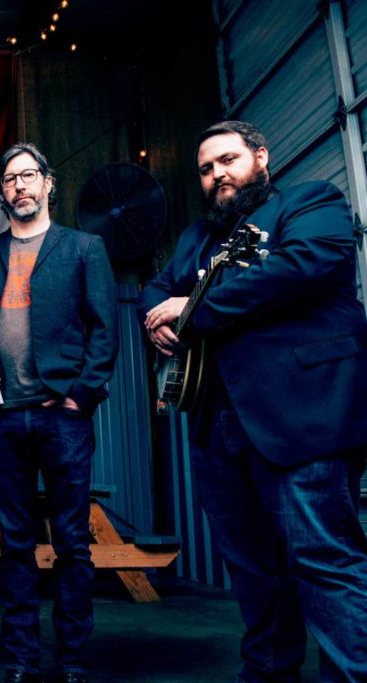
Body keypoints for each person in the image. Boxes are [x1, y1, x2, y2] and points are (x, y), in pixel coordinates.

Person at [140, 120, 367, 683]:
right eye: (206, 168)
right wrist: (156, 321)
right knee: (254, 573)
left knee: (324, 561)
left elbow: (298, 268)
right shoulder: (197, 236)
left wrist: (188, 307)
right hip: (217, 425)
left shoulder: (312, 202)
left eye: (228, 160)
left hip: (302, 418)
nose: (217, 174)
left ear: (261, 157)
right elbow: (154, 287)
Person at [0, 142, 118, 683]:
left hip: (62, 417)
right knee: (14, 545)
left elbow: (105, 332)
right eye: (9, 180)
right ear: (1, 194)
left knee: (72, 543)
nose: (19, 185)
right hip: (2, 418)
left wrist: (80, 395)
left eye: (27, 175)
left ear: (47, 184)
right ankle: (20, 658)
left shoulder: (85, 248)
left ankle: (73, 660)